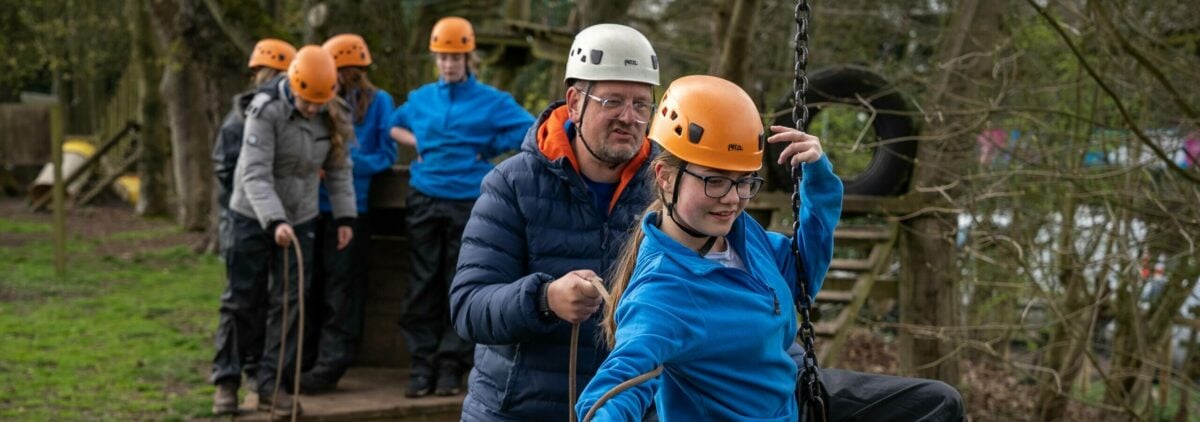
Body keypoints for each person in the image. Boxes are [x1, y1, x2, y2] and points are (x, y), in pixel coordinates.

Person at [576, 75, 964, 421]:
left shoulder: (741, 235)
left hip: (791, 395)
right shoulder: (662, 292)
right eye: (714, 180)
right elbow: (620, 382)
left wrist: (818, 184)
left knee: (938, 404)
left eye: (744, 181)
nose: (732, 198)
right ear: (664, 177)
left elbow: (799, 278)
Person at [450, 23, 660, 420]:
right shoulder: (512, 184)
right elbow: (468, 307)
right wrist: (544, 299)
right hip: (515, 410)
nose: (629, 117)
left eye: (641, 104)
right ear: (575, 102)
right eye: (612, 101)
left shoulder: (667, 189)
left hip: (626, 408)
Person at [389, 16, 534, 398]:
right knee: (422, 281)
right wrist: (419, 144)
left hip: (469, 199)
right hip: (424, 196)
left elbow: (530, 126)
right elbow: (393, 124)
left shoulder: (491, 100)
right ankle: (421, 365)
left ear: (468, 58)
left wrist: (489, 147)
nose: (449, 64)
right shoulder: (421, 98)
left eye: (455, 57)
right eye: (443, 57)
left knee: (461, 280)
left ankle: (451, 366)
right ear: (436, 59)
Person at [227, 45, 357, 416]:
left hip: (301, 217)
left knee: (289, 304)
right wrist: (274, 220)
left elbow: (339, 169)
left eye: (319, 103)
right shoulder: (265, 111)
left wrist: (345, 218)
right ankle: (227, 379)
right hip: (252, 214)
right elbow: (254, 174)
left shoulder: (332, 114)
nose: (312, 109)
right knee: (243, 300)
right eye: (306, 102)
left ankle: (273, 384)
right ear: (293, 86)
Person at [298, 33, 397, 394]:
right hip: (310, 209)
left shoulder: (379, 102)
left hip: (353, 209)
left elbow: (385, 155)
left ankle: (331, 365)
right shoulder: (317, 98)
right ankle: (302, 361)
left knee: (341, 291)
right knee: (308, 287)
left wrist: (342, 164)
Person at [210, 38, 296, 416]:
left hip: (283, 218)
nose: (272, 81)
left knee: (276, 303)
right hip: (244, 219)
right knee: (240, 301)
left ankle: (262, 378)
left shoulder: (292, 115)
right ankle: (226, 379)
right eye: (269, 74)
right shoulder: (239, 120)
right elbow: (228, 173)